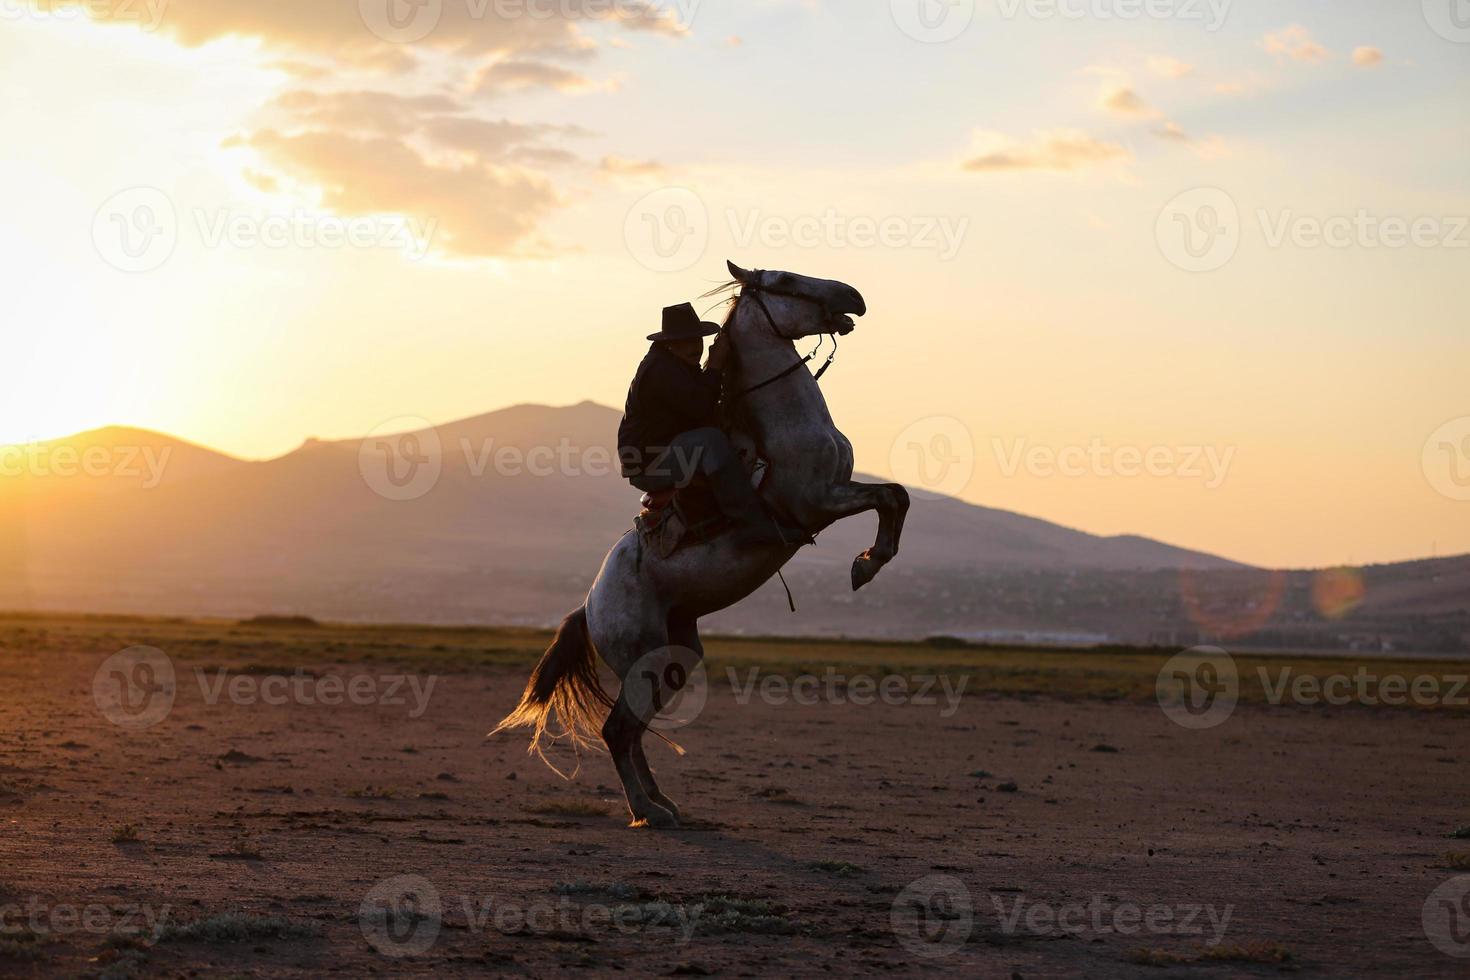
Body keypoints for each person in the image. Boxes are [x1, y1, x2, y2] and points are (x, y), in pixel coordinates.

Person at [618, 303, 803, 545]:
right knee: (710, 441)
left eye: (697, 339)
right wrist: (715, 366)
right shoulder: (661, 370)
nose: (695, 346)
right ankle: (752, 526)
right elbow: (701, 408)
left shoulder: (679, 365)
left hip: (662, 451)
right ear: (670, 343)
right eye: (686, 341)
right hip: (647, 462)